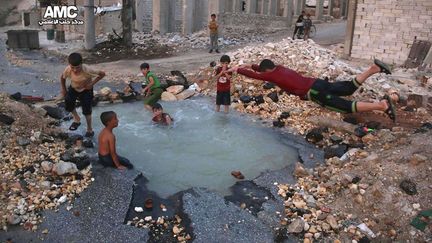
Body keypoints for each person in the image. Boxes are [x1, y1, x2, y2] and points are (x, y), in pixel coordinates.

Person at [227, 59, 396, 121]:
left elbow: (257, 76)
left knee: (345, 106)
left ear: (266, 71)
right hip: (316, 82)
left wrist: (238, 69)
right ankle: (373, 69)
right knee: (347, 88)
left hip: (314, 92)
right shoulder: (279, 68)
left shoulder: (272, 76)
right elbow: (263, 70)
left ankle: (382, 106)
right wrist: (252, 65)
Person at [61, 52, 105, 137]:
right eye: (72, 67)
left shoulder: (88, 70)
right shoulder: (68, 69)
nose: (75, 70)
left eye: (77, 67)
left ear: (81, 64)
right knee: (68, 102)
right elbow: (62, 78)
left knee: (87, 111)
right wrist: (63, 89)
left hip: (86, 90)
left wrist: (91, 84)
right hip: (74, 88)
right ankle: (77, 119)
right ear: (69, 65)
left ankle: (89, 129)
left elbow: (102, 74)